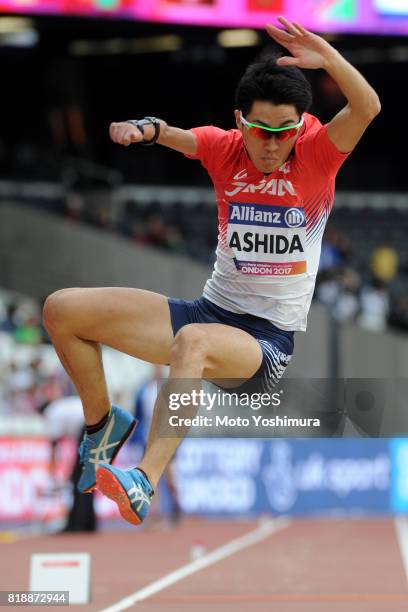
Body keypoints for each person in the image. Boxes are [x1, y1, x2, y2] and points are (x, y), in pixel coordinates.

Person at [42, 17, 381, 526]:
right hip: (207, 311)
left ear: (298, 128)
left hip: (264, 343)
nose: (271, 144)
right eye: (260, 131)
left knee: (194, 343)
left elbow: (368, 107)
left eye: (283, 132)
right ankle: (102, 425)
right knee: (61, 309)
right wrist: (146, 130)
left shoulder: (317, 158)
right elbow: (180, 137)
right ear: (239, 122)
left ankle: (145, 480)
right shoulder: (226, 150)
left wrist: (329, 57)